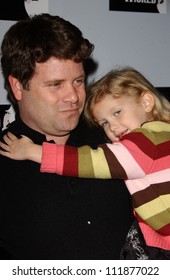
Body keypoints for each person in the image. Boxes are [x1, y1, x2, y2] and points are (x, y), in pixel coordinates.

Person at [0, 13, 133, 260]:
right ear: (18, 87)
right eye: (55, 84)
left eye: (79, 81)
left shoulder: (117, 136)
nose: (73, 96)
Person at [1, 67, 170, 259]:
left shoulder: (145, 142)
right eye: (104, 123)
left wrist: (33, 151)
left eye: (117, 113)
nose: (113, 127)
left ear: (147, 102)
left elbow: (94, 161)